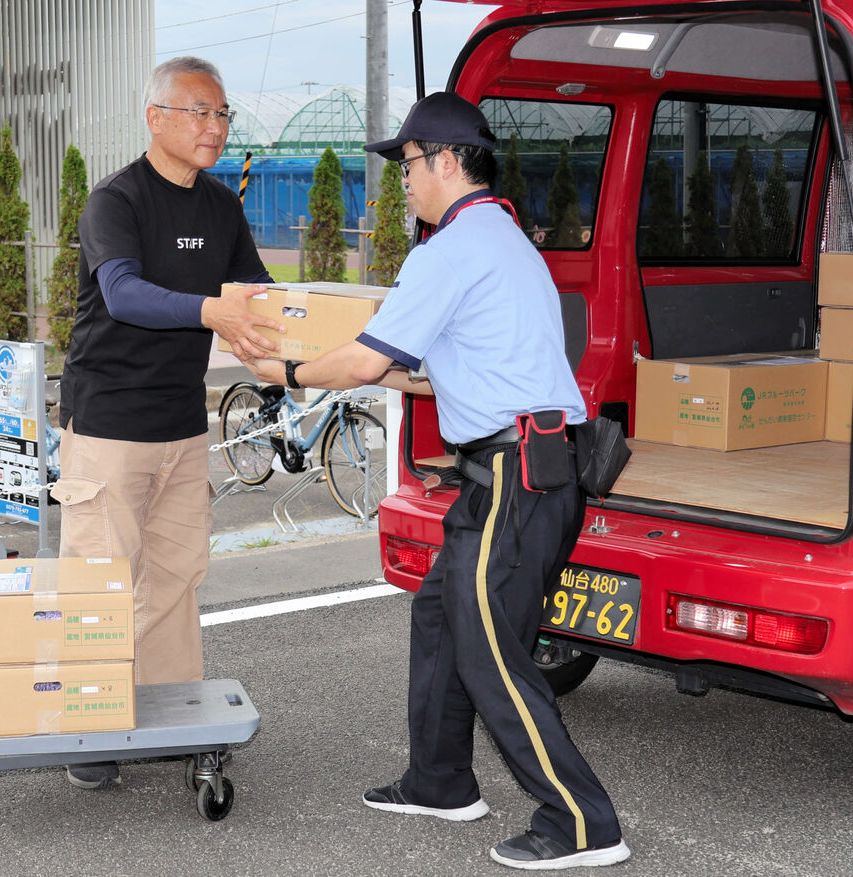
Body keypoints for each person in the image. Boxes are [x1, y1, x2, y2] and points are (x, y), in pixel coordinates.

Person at [242, 92, 629, 871]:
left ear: (448, 162)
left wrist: (283, 369)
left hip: (519, 473)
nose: (404, 181)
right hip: (523, 469)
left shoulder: (449, 250)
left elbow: (365, 361)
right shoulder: (503, 238)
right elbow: (453, 372)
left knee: (490, 652)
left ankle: (583, 821)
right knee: (441, 615)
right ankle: (442, 778)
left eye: (410, 165)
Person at [55, 56, 282, 790]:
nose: (214, 126)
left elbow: (262, 296)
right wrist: (211, 311)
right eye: (200, 111)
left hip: (183, 429)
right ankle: (91, 727)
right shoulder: (115, 201)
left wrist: (315, 345)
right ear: (156, 117)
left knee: (176, 578)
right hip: (109, 426)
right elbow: (124, 296)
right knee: (100, 581)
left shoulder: (221, 207)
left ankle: (173, 716)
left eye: (223, 115)